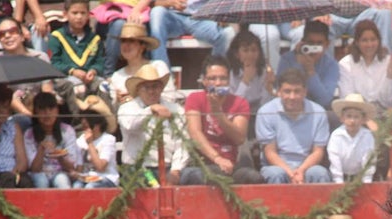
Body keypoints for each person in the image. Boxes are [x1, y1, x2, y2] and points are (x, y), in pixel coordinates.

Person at [180, 55, 261, 185]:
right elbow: (195, 134)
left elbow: (239, 138)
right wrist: (217, 158)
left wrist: (218, 113)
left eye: (223, 78)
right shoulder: (195, 98)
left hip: (232, 165)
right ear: (204, 81)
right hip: (203, 163)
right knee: (210, 175)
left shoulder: (240, 102)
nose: (218, 83)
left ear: (229, 80)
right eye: (212, 78)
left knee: (254, 177)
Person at [254, 68, 330, 185]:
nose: (292, 96)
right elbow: (270, 152)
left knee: (320, 173)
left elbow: (318, 151)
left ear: (305, 92)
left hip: (307, 166)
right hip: (276, 166)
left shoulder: (318, 113)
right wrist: (291, 173)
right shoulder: (266, 112)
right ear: (279, 92)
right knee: (276, 174)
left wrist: (301, 170)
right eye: (287, 91)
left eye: (297, 91)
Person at [117, 62, 189, 185]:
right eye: (146, 87)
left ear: (161, 88)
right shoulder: (127, 109)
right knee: (139, 182)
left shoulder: (176, 109)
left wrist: (175, 170)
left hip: (169, 168)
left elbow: (182, 143)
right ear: (138, 89)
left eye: (155, 86)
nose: (151, 91)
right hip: (136, 168)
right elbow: (130, 126)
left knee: (196, 176)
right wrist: (150, 110)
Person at [48, 0, 109, 118]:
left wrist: (93, 70)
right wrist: (72, 71)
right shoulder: (57, 37)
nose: (79, 17)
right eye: (74, 13)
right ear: (65, 15)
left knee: (104, 86)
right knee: (78, 87)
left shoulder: (94, 39)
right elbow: (54, 63)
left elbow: (100, 61)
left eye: (83, 13)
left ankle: (108, 123)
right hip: (65, 78)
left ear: (88, 15)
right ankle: (80, 125)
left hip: (89, 77)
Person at [145, 0, 233, 69]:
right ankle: (163, 75)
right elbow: (152, 4)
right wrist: (169, 2)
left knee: (228, 33)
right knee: (156, 12)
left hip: (201, 19)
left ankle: (213, 75)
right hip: (172, 18)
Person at [275, 20, 339, 114]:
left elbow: (325, 101)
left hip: (317, 113)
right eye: (311, 43)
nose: (314, 48)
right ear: (303, 42)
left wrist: (311, 72)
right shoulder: (287, 59)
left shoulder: (331, 65)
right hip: (288, 111)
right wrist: (298, 64)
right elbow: (280, 91)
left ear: (327, 44)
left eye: (319, 43)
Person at [0, 17, 52, 118]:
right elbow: (6, 95)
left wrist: (42, 114)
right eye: (2, 34)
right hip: (11, 114)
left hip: (39, 109)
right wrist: (29, 115)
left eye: (12, 31)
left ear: (22, 36)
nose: (7, 36)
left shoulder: (40, 57)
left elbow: (47, 90)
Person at [338, 19, 392, 116]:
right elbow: (347, 98)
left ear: (379, 41)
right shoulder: (345, 64)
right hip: (356, 116)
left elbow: (388, 100)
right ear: (357, 42)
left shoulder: (388, 62)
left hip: (384, 116)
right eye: (364, 40)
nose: (369, 44)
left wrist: (390, 75)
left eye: (373, 39)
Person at [108, 22, 172, 108]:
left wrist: (137, 99)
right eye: (123, 41)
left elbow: (170, 97)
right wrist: (117, 99)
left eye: (131, 41)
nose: (126, 45)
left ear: (142, 46)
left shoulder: (158, 66)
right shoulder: (117, 76)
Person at [24, 90, 78, 188]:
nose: (47, 113)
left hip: (60, 172)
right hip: (38, 173)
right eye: (42, 109)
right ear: (36, 112)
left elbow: (72, 167)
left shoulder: (67, 131)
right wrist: (41, 149)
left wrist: (58, 155)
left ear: (57, 110)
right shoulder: (29, 134)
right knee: (41, 181)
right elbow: (34, 169)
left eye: (51, 108)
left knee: (62, 181)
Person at [0, 84, 32, 188]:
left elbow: (22, 161)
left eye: (5, 107)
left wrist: (15, 173)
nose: (2, 111)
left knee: (24, 181)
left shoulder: (13, 127)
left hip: (11, 172)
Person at [226, 28, 275, 126]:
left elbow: (266, 106)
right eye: (245, 50)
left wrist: (269, 85)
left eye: (254, 50)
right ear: (237, 54)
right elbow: (232, 108)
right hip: (236, 119)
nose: (250, 54)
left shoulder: (264, 72)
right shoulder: (231, 74)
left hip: (259, 118)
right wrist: (245, 81)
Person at [326, 93, 376, 184]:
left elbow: (369, 159)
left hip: (360, 177)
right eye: (349, 116)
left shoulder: (367, 136)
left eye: (356, 117)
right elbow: (334, 160)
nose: (352, 121)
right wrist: (338, 181)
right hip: (340, 176)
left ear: (363, 119)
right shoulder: (336, 136)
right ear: (342, 118)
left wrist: (367, 182)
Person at [73, 95, 119, 188]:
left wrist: (90, 144)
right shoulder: (80, 140)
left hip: (106, 178)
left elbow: (101, 167)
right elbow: (79, 167)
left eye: (87, 126)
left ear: (97, 125)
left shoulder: (108, 139)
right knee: (76, 187)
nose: (85, 129)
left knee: (90, 188)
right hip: (86, 177)